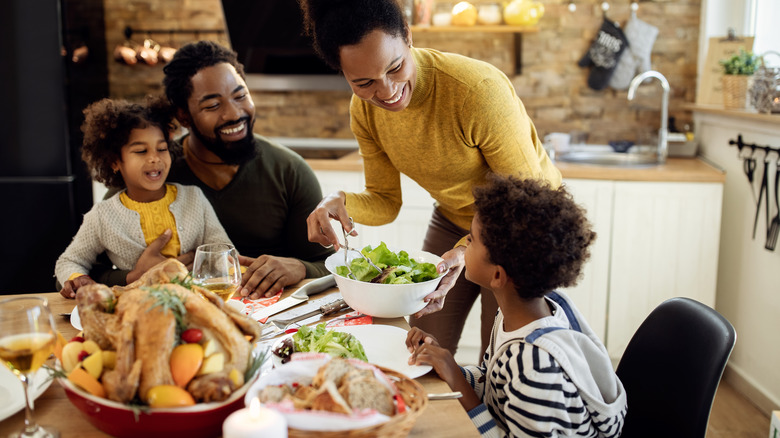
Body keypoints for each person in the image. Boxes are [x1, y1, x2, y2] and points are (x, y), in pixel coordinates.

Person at [299, 0, 562, 358]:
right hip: (454, 218)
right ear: (342, 72)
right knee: (422, 346)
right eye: (364, 82)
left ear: (407, 35)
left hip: (522, 228)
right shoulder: (364, 111)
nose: (387, 91)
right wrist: (338, 202)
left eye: (395, 67)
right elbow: (384, 201)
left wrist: (466, 248)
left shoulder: (476, 91)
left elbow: (529, 201)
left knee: (502, 356)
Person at [94, 41, 334, 299]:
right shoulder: (153, 171)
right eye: (212, 105)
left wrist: (299, 267)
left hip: (275, 323)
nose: (234, 113)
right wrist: (135, 275)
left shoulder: (290, 171)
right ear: (184, 116)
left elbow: (329, 267)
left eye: (240, 96)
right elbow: (83, 271)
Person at [406, 175, 627, 437]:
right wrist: (449, 365)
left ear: (497, 276)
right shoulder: (523, 316)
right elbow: (494, 383)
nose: (464, 244)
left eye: (472, 240)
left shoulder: (535, 365)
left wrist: (459, 385)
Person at [56, 97, 233, 298]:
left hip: (196, 299)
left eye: (162, 148)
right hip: (138, 306)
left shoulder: (194, 198)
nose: (154, 158)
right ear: (114, 161)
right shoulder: (102, 216)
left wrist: (205, 263)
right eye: (141, 151)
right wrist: (78, 277)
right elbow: (69, 261)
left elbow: (223, 251)